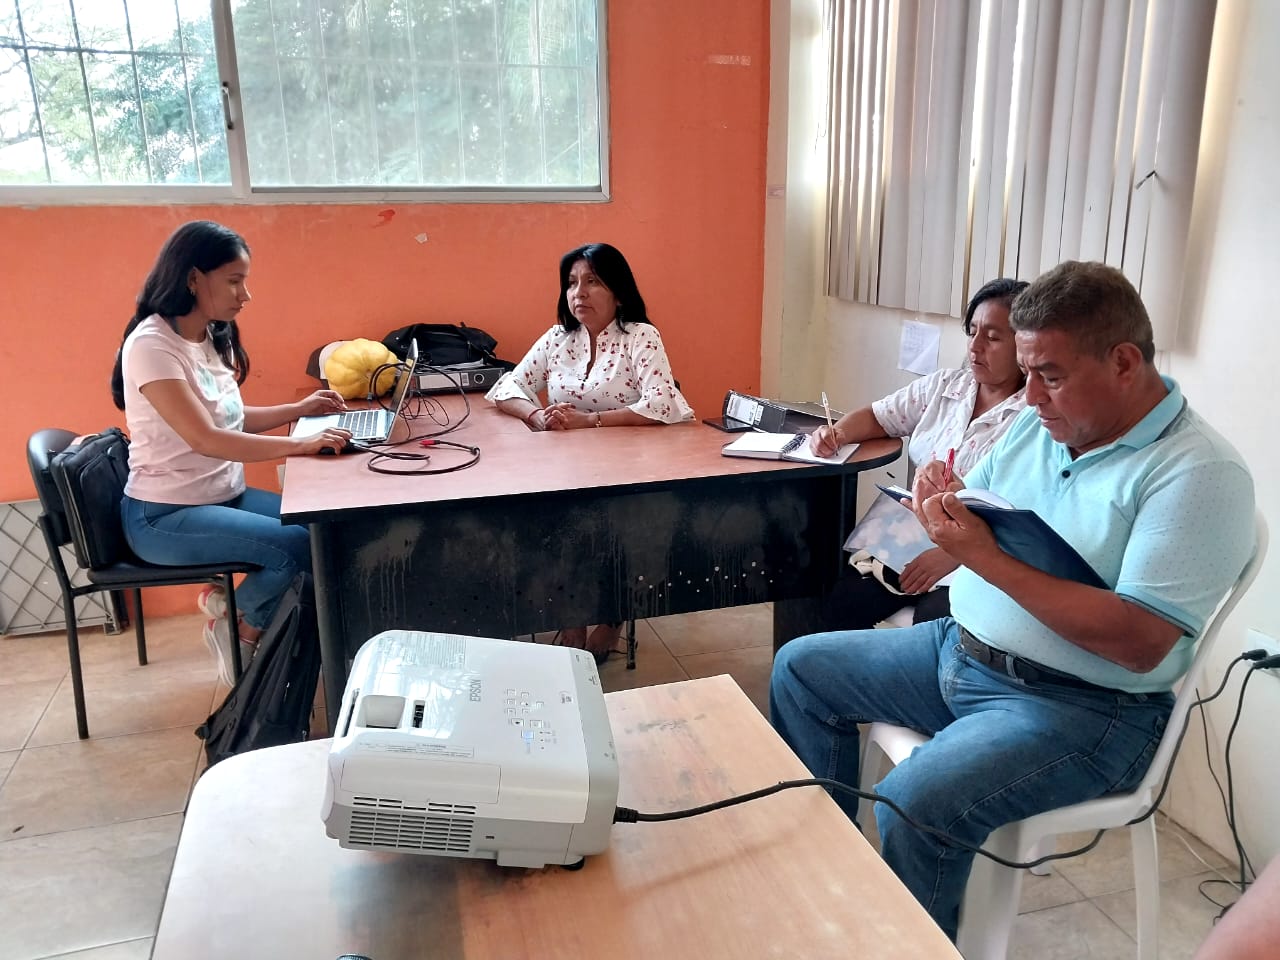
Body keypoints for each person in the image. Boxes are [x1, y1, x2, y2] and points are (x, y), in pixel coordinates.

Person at [770, 261, 1255, 941]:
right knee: (800, 669)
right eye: (1026, 373)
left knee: (913, 800)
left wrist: (985, 559)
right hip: (959, 652)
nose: (1029, 397)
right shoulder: (1041, 423)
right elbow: (981, 503)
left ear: (1123, 363)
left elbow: (1140, 642)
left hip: (1082, 707)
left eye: (1049, 375)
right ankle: (834, 881)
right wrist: (944, 497)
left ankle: (912, 945)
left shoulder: (1198, 474)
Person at [112, 220, 353, 686]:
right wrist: (302, 445)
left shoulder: (206, 336)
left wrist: (299, 409)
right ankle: (241, 623)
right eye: (234, 281)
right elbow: (206, 438)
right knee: (297, 547)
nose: (246, 295)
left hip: (222, 495)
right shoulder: (151, 346)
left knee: (325, 530)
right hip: (164, 515)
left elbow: (230, 419)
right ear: (193, 278)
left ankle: (244, 614)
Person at [486, 242, 694, 660]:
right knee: (549, 519)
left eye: (593, 282)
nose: (578, 293)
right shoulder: (558, 338)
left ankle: (612, 614)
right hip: (572, 466)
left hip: (633, 466)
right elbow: (506, 386)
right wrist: (536, 416)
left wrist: (590, 421)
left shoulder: (640, 336)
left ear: (618, 291)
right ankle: (572, 613)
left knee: (606, 526)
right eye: (571, 283)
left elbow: (660, 404)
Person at [810, 278, 1028, 630]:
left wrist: (952, 555)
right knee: (844, 600)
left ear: (1026, 345)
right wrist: (839, 433)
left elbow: (1025, 511)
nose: (975, 348)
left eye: (992, 337)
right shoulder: (946, 386)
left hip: (982, 555)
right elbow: (879, 416)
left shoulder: (1034, 416)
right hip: (909, 539)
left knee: (933, 622)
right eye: (972, 332)